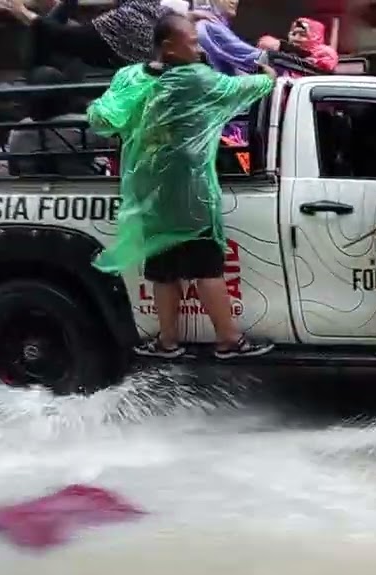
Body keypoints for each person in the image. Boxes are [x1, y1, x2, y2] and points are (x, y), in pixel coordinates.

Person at [87, 13, 277, 359]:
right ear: (169, 47)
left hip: (151, 195)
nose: (198, 45)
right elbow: (242, 89)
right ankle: (228, 340)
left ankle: (168, 341)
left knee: (162, 271)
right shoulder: (196, 81)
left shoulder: (130, 78)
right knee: (207, 269)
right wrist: (267, 75)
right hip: (191, 194)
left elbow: (101, 117)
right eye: (192, 41)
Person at [0, 0, 174, 70]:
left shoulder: (126, 18)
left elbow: (70, 39)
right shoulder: (167, 14)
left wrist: (26, 15)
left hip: (141, 101)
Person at [8, 65, 115, 175]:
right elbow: (116, 144)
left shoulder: (18, 132)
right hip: (84, 187)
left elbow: (14, 172)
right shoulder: (85, 125)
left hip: (32, 189)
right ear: (64, 94)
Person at [193, 0, 265, 76]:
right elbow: (253, 57)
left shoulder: (213, 24)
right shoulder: (209, 26)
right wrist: (274, 53)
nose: (235, 1)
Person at [256, 17, 338, 74]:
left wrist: (285, 48)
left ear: (315, 37)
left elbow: (324, 67)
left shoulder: (325, 53)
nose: (296, 38)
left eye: (302, 35)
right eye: (294, 34)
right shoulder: (284, 52)